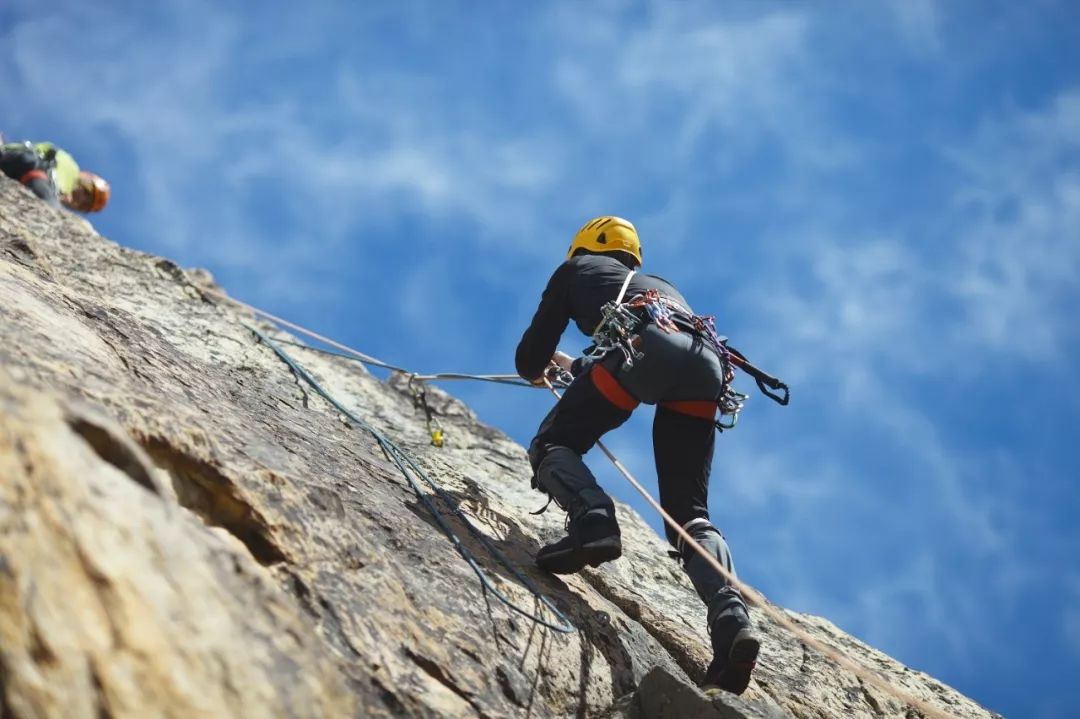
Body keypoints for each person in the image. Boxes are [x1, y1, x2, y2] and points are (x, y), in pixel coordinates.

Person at [515, 216, 760, 695]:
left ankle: (594, 522)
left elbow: (529, 361)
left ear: (582, 248)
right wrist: (573, 366)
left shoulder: (576, 270)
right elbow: (643, 349)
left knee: (552, 444)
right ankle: (731, 618)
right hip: (704, 362)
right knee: (689, 512)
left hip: (645, 346)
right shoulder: (660, 286)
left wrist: (542, 365)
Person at [0, 140, 109, 212]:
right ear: (85, 180)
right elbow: (57, 170)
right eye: (86, 193)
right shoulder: (71, 169)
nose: (81, 200)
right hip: (27, 165)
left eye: (84, 205)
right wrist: (58, 193)